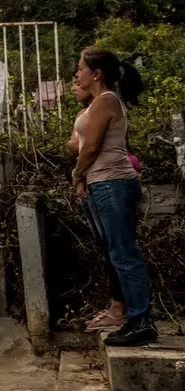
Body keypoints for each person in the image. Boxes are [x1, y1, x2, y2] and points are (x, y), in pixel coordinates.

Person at [72, 47, 156, 347]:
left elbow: (91, 148)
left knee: (124, 254)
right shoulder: (98, 102)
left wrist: (76, 175)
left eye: (81, 67)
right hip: (106, 183)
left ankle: (141, 321)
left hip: (112, 183)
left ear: (97, 74)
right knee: (118, 253)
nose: (77, 73)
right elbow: (81, 145)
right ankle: (135, 317)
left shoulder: (106, 100)